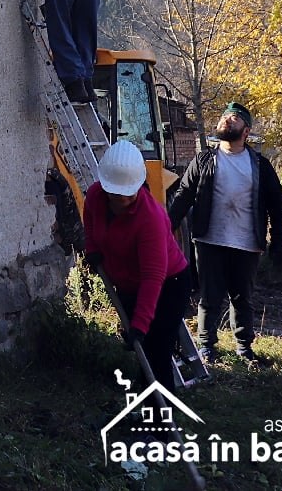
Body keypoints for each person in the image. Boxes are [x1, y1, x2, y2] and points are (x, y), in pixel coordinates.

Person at [167, 102, 282, 368]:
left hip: (247, 242)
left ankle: (244, 349)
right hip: (209, 239)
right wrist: (167, 227)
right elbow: (184, 194)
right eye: (224, 118)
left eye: (234, 119)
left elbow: (276, 202)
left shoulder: (259, 164)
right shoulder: (205, 160)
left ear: (246, 130)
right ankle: (206, 347)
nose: (227, 121)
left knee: (242, 297)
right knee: (209, 296)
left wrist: (279, 238)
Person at [83, 140, 192, 395]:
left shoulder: (150, 217)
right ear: (106, 187)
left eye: (128, 193)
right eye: (117, 193)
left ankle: (161, 428)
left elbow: (153, 276)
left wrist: (141, 325)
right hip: (129, 284)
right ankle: (148, 416)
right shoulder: (96, 197)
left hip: (168, 286)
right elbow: (90, 222)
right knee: (145, 361)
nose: (123, 199)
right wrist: (92, 249)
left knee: (156, 354)